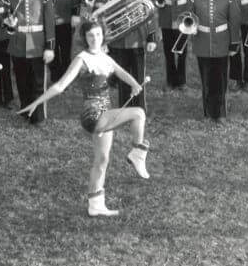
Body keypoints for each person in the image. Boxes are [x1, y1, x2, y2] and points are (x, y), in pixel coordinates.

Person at [19, 20, 150, 216]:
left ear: (102, 36)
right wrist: (37, 102)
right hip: (93, 115)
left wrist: (134, 84)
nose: (95, 39)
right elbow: (61, 85)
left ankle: (95, 204)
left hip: (105, 112)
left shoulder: (105, 57)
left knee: (102, 159)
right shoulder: (81, 59)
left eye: (98, 35)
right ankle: (137, 153)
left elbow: (121, 72)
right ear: (85, 38)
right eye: (90, 36)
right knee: (138, 113)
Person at [184, 0, 241, 120]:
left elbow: (235, 22)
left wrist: (234, 43)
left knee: (221, 81)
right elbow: (189, 17)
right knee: (206, 80)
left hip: (222, 44)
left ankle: (220, 113)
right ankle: (208, 112)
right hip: (202, 43)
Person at [104, 0, 159, 110]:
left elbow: (150, 12)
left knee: (138, 77)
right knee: (122, 78)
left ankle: (140, 108)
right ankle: (124, 109)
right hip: (118, 41)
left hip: (137, 39)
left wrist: (151, 37)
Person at [5, 0, 56, 124]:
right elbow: (8, 27)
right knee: (22, 80)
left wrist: (50, 47)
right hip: (18, 45)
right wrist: (10, 27)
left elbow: (49, 24)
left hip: (37, 45)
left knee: (37, 82)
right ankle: (25, 110)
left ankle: (38, 115)